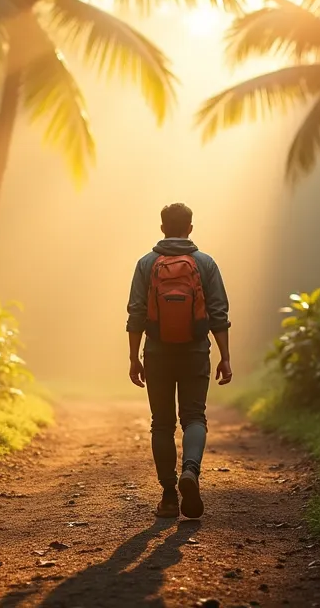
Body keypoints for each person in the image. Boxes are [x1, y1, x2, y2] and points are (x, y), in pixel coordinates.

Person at [126, 203, 232, 519]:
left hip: (157, 353)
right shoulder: (205, 264)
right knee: (194, 417)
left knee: (162, 423)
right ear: (190, 228)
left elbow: (136, 315)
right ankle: (191, 471)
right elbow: (219, 314)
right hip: (195, 351)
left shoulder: (146, 264)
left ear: (162, 229)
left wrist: (134, 358)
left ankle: (170, 497)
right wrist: (225, 357)